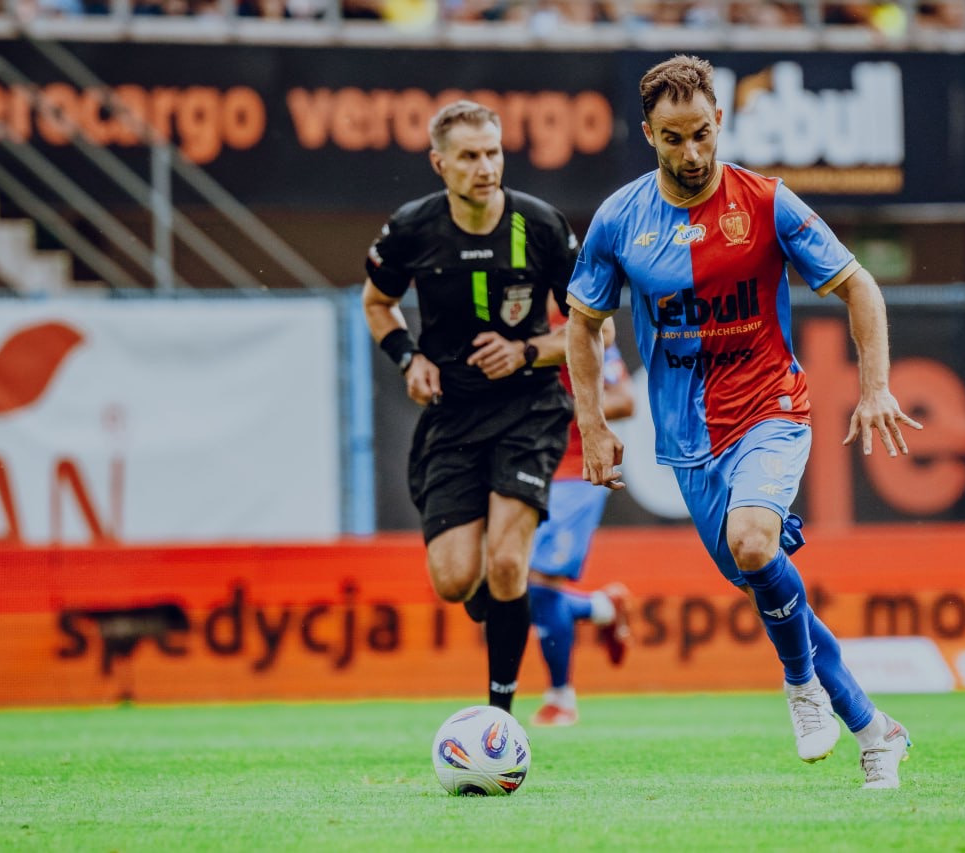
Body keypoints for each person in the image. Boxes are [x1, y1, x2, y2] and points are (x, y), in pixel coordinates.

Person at [564, 55, 923, 789]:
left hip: (770, 408)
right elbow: (582, 322)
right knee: (766, 581)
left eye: (702, 133)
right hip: (685, 439)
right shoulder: (618, 219)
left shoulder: (767, 203)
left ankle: (799, 686)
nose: (692, 153)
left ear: (720, 120)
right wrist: (593, 424)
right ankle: (875, 729)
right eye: (673, 139)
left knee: (754, 541)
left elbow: (860, 286)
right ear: (648, 135)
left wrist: (874, 388)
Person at [362, 100, 579, 714]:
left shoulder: (541, 225)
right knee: (456, 580)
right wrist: (410, 359)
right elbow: (376, 303)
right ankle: (500, 605)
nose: (486, 167)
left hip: (530, 409)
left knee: (508, 564)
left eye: (493, 153)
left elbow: (594, 328)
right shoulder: (412, 227)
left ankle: (498, 722)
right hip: (453, 415)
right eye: (469, 156)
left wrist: (527, 351)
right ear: (440, 164)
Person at [528, 314, 635, 727]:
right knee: (504, 587)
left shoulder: (581, 320)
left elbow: (623, 400)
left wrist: (557, 410)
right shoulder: (510, 313)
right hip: (519, 467)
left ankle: (561, 698)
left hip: (574, 471)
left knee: (540, 583)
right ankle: (602, 607)